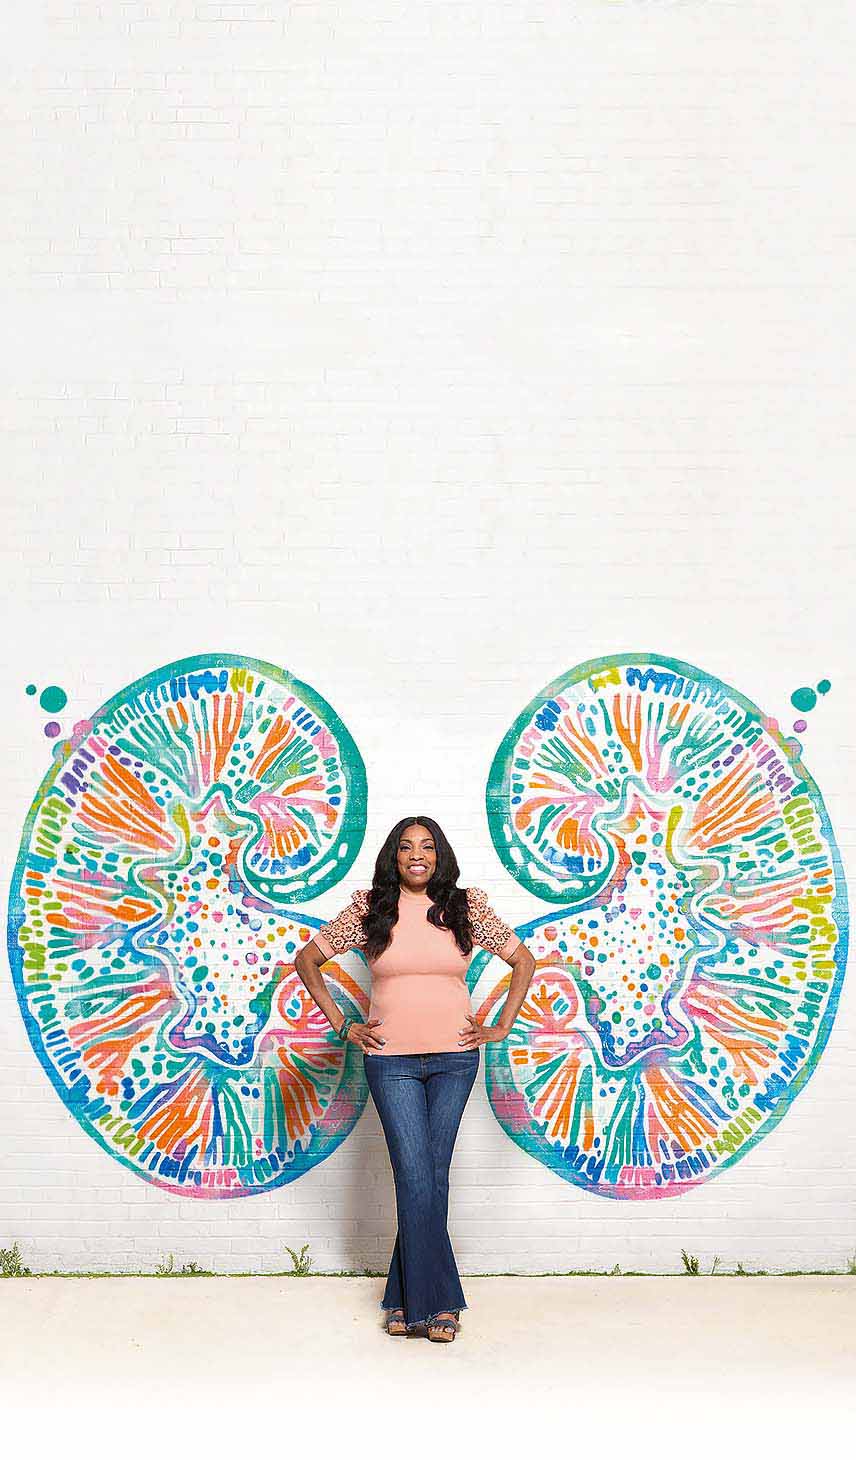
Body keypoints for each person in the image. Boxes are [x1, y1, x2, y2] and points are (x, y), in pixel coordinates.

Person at [294, 814, 535, 1343]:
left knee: (432, 1177)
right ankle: (441, 1303)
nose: (417, 855)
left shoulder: (465, 909)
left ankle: (403, 1300)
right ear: (394, 857)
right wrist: (342, 1024)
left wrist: (502, 1024)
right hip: (391, 1060)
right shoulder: (370, 909)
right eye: (406, 848)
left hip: (455, 1057)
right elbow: (307, 959)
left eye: (426, 846)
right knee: (415, 1176)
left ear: (440, 853)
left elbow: (524, 961)